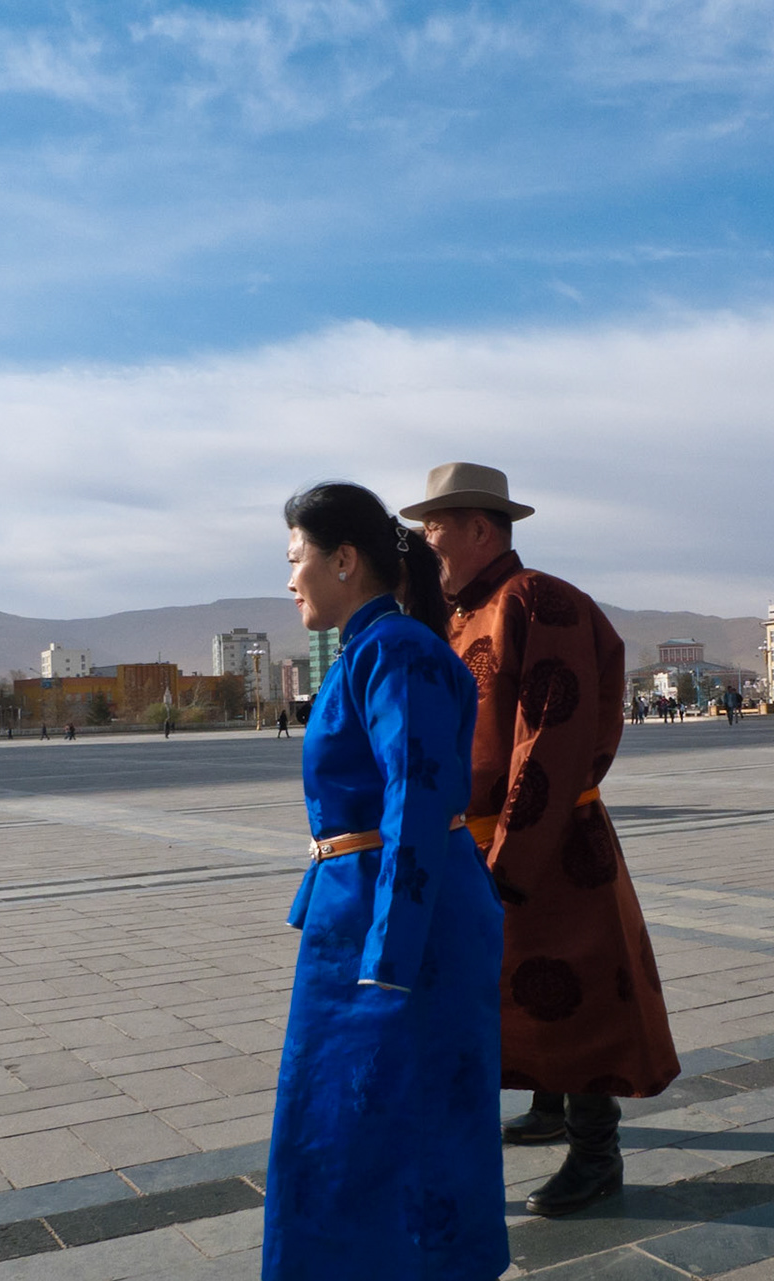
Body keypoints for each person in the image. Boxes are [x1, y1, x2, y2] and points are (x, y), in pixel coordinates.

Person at [405, 461, 680, 1219]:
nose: (427, 544)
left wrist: (512, 856)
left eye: (435, 529)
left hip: (550, 841)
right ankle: (551, 1105)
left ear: (480, 528)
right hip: (496, 839)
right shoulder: (466, 612)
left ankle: (598, 1155)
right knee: (526, 983)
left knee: (578, 989)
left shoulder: (538, 600)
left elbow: (552, 734)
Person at [264, 482, 507, 1281]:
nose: (290, 578)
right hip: (363, 919)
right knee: (341, 1126)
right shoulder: (367, 649)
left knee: (396, 1127)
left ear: (345, 559)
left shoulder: (396, 651)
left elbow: (419, 791)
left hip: (403, 931)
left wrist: (391, 953)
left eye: (297, 558)